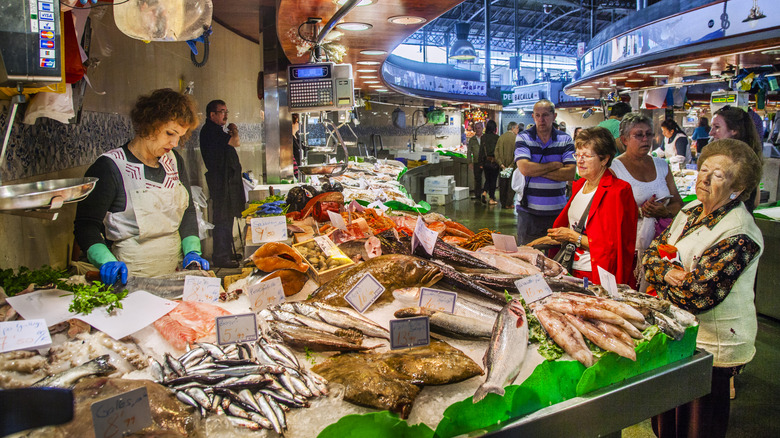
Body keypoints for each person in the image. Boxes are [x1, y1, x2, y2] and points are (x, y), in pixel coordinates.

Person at [643, 138, 764, 438]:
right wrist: (669, 272)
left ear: (738, 189)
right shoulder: (690, 211)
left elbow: (698, 295)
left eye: (719, 175)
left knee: (697, 425)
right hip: (677, 333)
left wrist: (664, 277)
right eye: (704, 169)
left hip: (712, 346)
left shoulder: (740, 232)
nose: (705, 179)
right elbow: (651, 255)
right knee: (666, 420)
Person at [74, 88, 208, 285]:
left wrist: (192, 251)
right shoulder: (110, 166)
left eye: (180, 135)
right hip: (130, 277)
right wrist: (105, 261)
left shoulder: (173, 161)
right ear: (149, 125)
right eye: (170, 133)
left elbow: (187, 210)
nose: (174, 142)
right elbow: (86, 225)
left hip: (176, 272)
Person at [529, 127, 637, 285]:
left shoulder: (618, 191)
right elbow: (568, 230)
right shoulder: (580, 185)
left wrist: (573, 237)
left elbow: (614, 246)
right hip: (570, 267)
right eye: (577, 155)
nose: (579, 161)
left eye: (586, 156)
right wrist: (529, 247)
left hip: (596, 274)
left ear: (604, 159)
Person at [611, 113, 683, 292]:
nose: (645, 139)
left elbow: (678, 204)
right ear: (624, 139)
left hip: (661, 245)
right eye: (638, 135)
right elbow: (610, 212)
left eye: (649, 134)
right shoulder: (614, 169)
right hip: (630, 247)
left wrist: (663, 211)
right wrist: (641, 212)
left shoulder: (661, 165)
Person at [514, 99, 577, 244]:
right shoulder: (524, 137)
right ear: (533, 116)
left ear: (554, 116)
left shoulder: (565, 140)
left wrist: (535, 169)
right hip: (529, 212)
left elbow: (570, 174)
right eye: (537, 115)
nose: (541, 120)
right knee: (528, 253)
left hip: (557, 211)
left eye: (545, 115)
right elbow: (524, 168)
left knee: (555, 257)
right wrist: (555, 165)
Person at [200, 99, 245, 268]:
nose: (225, 115)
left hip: (226, 180)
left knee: (228, 217)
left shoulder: (217, 130)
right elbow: (236, 142)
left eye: (227, 111)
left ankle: (225, 251)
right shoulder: (211, 131)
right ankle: (220, 256)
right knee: (222, 219)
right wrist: (233, 129)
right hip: (220, 181)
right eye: (222, 112)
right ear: (212, 115)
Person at [709, 105, 764, 212]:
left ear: (734, 130)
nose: (711, 133)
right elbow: (756, 202)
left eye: (717, 127)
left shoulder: (733, 161)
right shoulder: (751, 157)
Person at [495, 121, 520, 209]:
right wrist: (511, 165)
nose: (518, 130)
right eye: (517, 128)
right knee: (510, 185)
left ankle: (503, 203)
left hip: (502, 167)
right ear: (512, 128)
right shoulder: (516, 139)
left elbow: (496, 152)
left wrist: (501, 164)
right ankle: (509, 203)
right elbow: (517, 154)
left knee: (502, 185)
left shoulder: (501, 138)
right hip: (512, 167)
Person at [479, 120, 501, 205]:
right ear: (494, 128)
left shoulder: (483, 137)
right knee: (493, 180)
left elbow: (481, 151)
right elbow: (498, 151)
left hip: (486, 162)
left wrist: (480, 163)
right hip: (494, 162)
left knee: (488, 178)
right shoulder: (497, 138)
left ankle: (484, 192)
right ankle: (491, 198)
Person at [467, 121, 484, 200]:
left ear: (482, 128)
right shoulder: (472, 140)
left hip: (485, 161)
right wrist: (470, 162)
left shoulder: (485, 138)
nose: (477, 130)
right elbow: (469, 152)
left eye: (479, 128)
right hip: (476, 161)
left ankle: (486, 193)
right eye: (476, 128)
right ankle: (477, 195)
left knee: (487, 178)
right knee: (477, 179)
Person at [292, 113, 302, 180]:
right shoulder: (288, 139)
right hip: (294, 173)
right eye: (297, 122)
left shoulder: (296, 136)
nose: (299, 124)